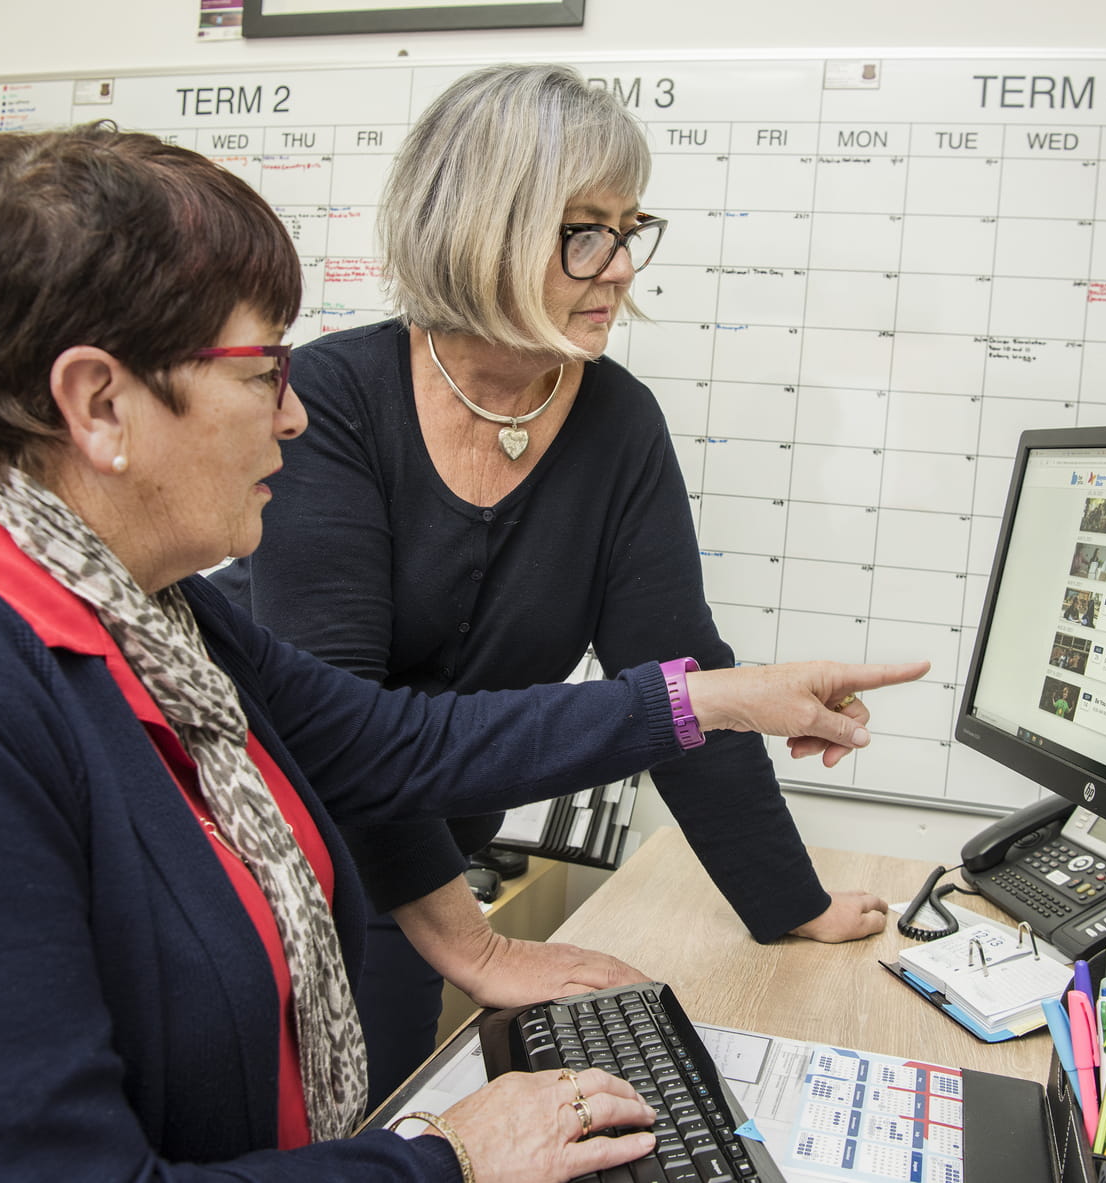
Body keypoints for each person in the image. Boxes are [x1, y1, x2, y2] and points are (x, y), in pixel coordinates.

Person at [0, 123, 930, 1181]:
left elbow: (395, 743)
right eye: (263, 373)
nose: (296, 414)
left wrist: (712, 698)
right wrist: (444, 1160)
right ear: (99, 404)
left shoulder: (134, 610)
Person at [213, 62, 897, 1103]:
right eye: (582, 231)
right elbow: (342, 737)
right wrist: (474, 947)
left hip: (439, 857)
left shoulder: (617, 423)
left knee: (396, 1102)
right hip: (288, 857)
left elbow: (675, 672)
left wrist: (785, 900)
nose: (618, 267)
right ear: (480, 229)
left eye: (628, 230)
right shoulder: (334, 402)